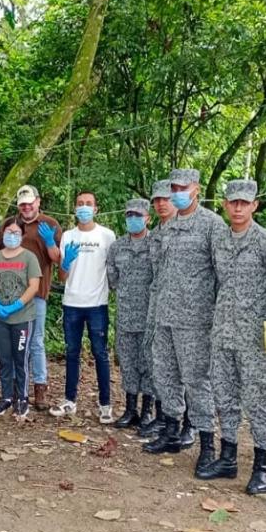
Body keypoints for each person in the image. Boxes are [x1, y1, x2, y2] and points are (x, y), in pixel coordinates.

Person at [196, 180, 266, 495]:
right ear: (225, 204)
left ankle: (262, 467)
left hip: (254, 338)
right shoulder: (220, 240)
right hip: (222, 332)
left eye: (244, 203)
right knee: (224, 397)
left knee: (256, 402)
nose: (238, 208)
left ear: (254, 206)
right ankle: (228, 457)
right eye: (233, 202)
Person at [145, 168, 227, 480]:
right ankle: (171, 430)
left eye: (183, 187)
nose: (178, 192)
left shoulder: (212, 225)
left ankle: (207, 446)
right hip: (165, 315)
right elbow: (159, 273)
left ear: (196, 189)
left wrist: (216, 317)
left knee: (196, 381)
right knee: (166, 377)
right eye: (174, 187)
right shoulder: (169, 226)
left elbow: (222, 274)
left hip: (195, 320)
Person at [50, 191, 117, 422]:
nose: (84, 207)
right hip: (72, 303)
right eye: (80, 204)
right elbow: (61, 276)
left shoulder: (107, 236)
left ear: (96, 209)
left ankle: (105, 404)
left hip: (97, 303)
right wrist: (65, 263)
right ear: (74, 208)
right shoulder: (68, 236)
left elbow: (114, 269)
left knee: (100, 354)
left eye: (88, 204)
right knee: (71, 353)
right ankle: (69, 400)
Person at [140, 179, 189, 442]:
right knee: (161, 365)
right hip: (158, 306)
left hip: (187, 311)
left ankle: (188, 424)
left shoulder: (186, 229)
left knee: (188, 368)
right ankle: (164, 418)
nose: (161, 204)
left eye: (165, 199)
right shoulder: (158, 233)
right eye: (156, 200)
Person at [105, 198, 155, 431]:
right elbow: (112, 278)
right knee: (128, 363)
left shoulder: (156, 243)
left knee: (149, 364)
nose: (133, 219)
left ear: (148, 218)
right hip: (125, 316)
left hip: (150, 316)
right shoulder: (117, 247)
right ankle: (130, 409)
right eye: (129, 215)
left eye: (138, 215)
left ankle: (147, 412)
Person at [0, 217, 42, 419]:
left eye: (16, 232)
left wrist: (17, 305)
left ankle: (23, 398)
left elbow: (34, 286)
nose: (12, 235)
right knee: (4, 358)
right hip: (0, 318)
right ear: (3, 233)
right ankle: (7, 396)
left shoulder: (29, 258)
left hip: (22, 317)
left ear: (22, 235)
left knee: (21, 358)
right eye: (8, 232)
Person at [13, 185, 62, 411]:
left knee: (36, 341)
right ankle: (17, 386)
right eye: (22, 203)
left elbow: (58, 259)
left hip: (38, 292)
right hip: (12, 294)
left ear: (38, 202)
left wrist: (50, 242)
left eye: (30, 202)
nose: (26, 206)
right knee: (16, 341)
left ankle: (40, 387)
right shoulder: (12, 225)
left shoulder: (50, 224)